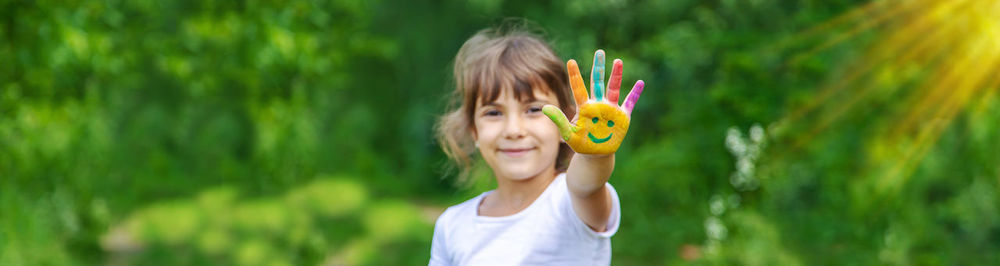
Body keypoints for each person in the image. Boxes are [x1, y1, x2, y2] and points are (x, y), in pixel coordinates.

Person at [430, 25, 645, 265]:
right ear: (474, 130)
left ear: (567, 122)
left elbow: (587, 184)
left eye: (534, 110)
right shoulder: (451, 226)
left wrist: (594, 150)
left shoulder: (572, 201)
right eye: (493, 113)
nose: (513, 130)